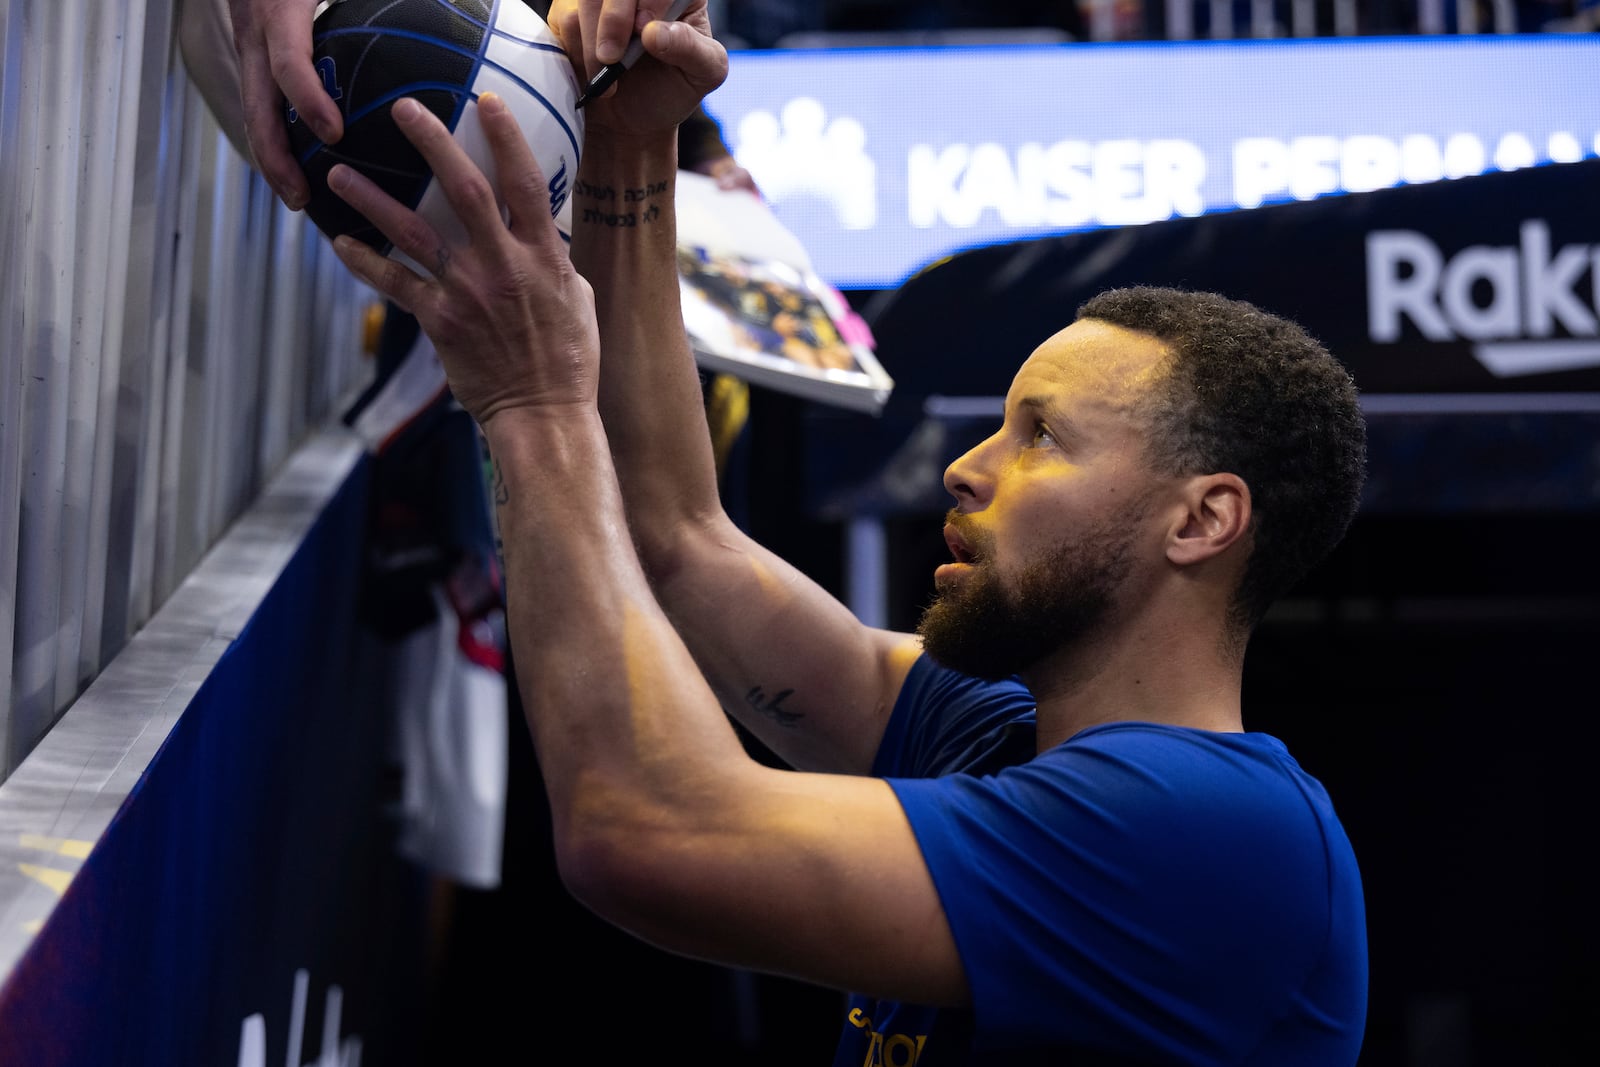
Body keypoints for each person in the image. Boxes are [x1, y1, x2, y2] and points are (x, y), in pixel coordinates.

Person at [234, 1, 1371, 1062]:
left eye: (1041, 438)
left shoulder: (1216, 833)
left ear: (1203, 518)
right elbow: (676, 536)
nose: (967, 471)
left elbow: (644, 830)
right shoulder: (994, 735)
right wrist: (637, 145)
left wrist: (532, 409)